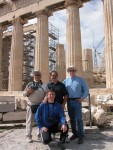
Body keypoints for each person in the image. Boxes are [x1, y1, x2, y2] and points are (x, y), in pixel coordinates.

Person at [63, 66, 89, 144]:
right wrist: (63, 102)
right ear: (69, 72)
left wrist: (82, 98)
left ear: (75, 71)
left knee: (79, 119)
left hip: (77, 102)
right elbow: (62, 91)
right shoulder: (66, 81)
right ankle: (75, 133)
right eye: (70, 70)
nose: (72, 72)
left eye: (73, 70)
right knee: (72, 119)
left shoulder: (80, 80)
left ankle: (81, 136)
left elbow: (86, 89)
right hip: (69, 102)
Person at [45, 71, 69, 142]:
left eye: (55, 75)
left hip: (60, 106)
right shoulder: (48, 85)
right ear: (50, 76)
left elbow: (66, 95)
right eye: (53, 75)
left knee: (62, 119)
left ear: (57, 76)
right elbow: (46, 95)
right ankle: (53, 134)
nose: (54, 76)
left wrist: (63, 104)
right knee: (51, 119)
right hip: (50, 106)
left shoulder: (61, 85)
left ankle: (65, 135)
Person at [23, 71, 47, 143]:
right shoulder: (29, 84)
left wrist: (45, 99)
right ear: (33, 76)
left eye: (38, 75)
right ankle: (28, 136)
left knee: (41, 120)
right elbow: (24, 94)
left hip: (40, 105)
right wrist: (28, 92)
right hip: (31, 105)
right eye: (36, 75)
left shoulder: (44, 85)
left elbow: (46, 94)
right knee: (29, 121)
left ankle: (39, 135)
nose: (37, 76)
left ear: (40, 76)